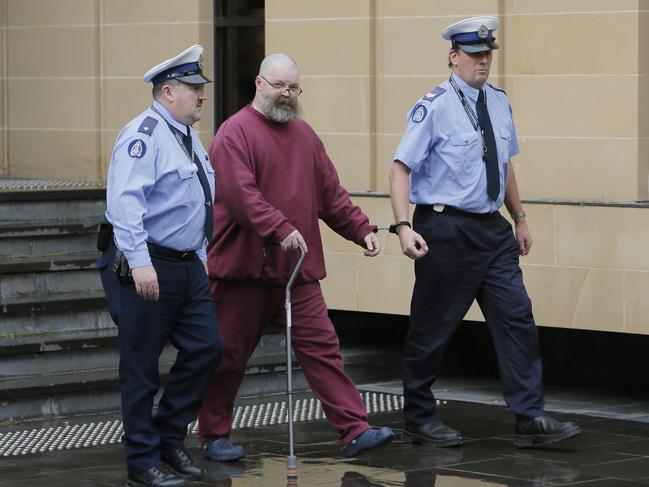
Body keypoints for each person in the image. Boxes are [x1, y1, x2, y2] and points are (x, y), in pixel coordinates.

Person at [388, 17, 581, 448]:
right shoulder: (434, 105)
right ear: (453, 57)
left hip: (492, 230)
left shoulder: (497, 100)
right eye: (475, 55)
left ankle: (529, 418)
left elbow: (504, 162)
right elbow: (401, 168)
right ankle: (418, 416)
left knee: (517, 319)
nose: (483, 62)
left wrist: (520, 216)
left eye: (487, 54)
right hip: (445, 226)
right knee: (433, 325)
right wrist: (403, 227)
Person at [197, 52, 394, 460]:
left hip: (296, 273)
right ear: (259, 83)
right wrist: (279, 226)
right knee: (227, 358)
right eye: (279, 85)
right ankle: (213, 434)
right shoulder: (234, 134)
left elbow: (331, 197)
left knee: (323, 350)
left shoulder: (306, 136)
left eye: (293, 87)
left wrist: (362, 230)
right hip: (243, 272)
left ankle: (354, 430)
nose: (286, 94)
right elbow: (240, 196)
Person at [98, 45, 223, 487]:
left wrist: (201, 257)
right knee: (141, 367)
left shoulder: (186, 135)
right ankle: (142, 464)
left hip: (187, 265)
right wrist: (139, 262)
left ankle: (168, 439)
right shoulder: (145, 134)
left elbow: (195, 203)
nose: (201, 96)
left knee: (208, 348)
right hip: (148, 264)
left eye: (201, 88)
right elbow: (125, 204)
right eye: (193, 88)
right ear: (168, 91)